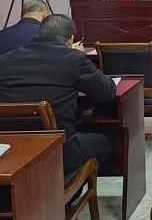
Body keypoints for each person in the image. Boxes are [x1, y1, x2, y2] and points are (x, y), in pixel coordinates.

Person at [0, 14, 116, 179]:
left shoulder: (4, 60)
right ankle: (64, 186)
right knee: (105, 143)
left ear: (40, 33)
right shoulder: (75, 59)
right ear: (71, 39)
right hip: (58, 150)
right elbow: (106, 94)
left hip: (10, 149)